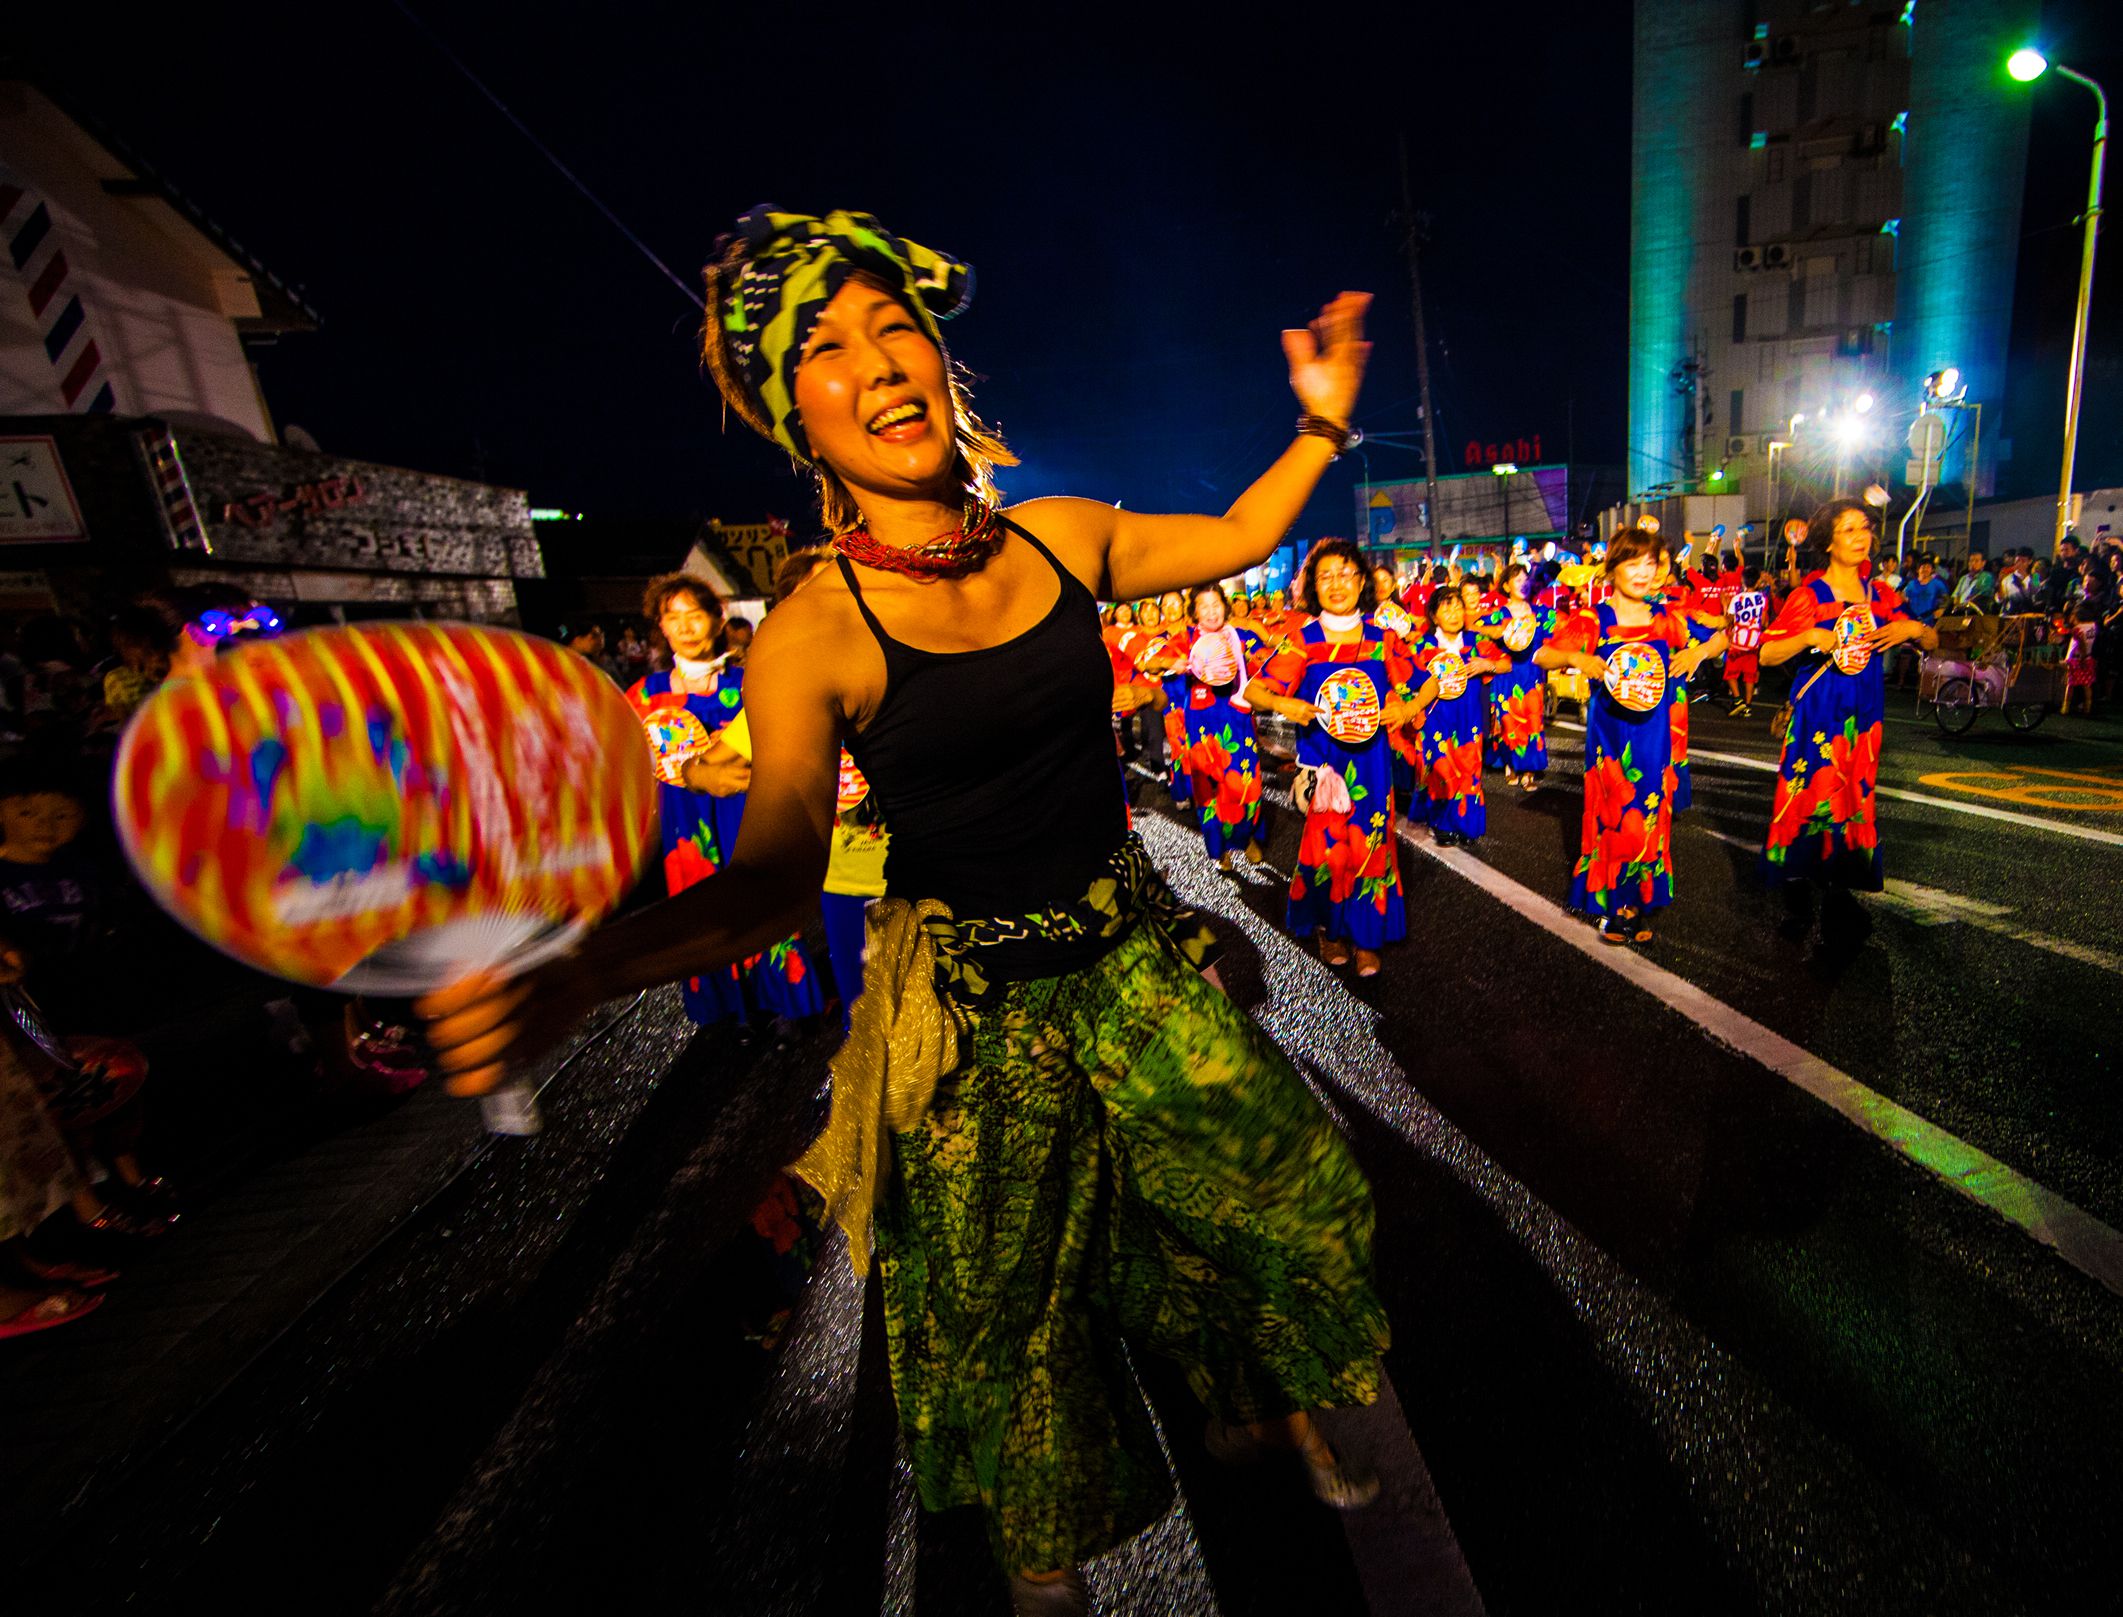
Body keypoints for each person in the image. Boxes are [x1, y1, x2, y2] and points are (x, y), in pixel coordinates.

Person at [419, 207, 1388, 1610]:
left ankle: (1253, 1385)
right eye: (827, 346)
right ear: (790, 417)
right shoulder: (812, 632)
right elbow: (764, 881)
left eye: (895, 328)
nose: (877, 361)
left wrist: (1315, 426)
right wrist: (581, 968)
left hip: (1128, 961)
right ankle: (1040, 1552)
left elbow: (1237, 533)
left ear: (941, 365)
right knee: (1000, 1304)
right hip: (974, 1019)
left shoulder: (1057, 538)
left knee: (1278, 1189)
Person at [627, 573, 825, 1026]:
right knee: (700, 910)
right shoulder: (645, 695)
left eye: (694, 616)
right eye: (672, 619)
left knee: (760, 894)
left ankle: (786, 1003)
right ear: (661, 626)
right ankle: (726, 1010)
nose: (685, 628)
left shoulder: (753, 679)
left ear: (718, 620)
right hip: (684, 821)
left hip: (747, 805)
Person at [1536, 526, 1725, 944]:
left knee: (1651, 814)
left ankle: (1640, 898)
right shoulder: (1593, 618)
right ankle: (1615, 903)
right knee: (1613, 816)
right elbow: (1543, 654)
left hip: (1656, 738)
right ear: (1613, 568)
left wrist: (1697, 651)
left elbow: (1721, 639)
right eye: (1631, 562)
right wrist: (1574, 656)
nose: (1642, 572)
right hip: (1611, 742)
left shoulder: (1664, 618)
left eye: (1650, 563)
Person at [1758, 499, 1936, 938]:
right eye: (1850, 530)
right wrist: (1808, 635)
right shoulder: (1809, 596)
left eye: (1866, 528)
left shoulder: (1883, 596)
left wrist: (1911, 630)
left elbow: (1932, 639)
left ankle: (1841, 885)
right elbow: (1766, 652)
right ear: (1828, 542)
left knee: (1854, 795)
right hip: (1818, 711)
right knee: (1807, 795)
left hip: (1864, 715)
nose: (1862, 538)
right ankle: (1797, 886)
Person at [1249, 538, 1416, 976]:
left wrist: (1406, 707)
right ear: (1312, 587)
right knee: (1327, 850)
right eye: (1325, 576)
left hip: (1374, 766)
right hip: (1325, 768)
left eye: (1345, 574)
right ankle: (1330, 927)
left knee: (1371, 846)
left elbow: (1428, 680)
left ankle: (1365, 936)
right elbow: (1254, 690)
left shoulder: (1383, 640)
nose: (1336, 584)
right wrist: (1287, 706)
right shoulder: (1303, 640)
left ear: (1362, 581)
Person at [1172, 584, 1269, 869]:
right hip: (1202, 725)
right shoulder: (1184, 638)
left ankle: (1246, 837)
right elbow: (1152, 661)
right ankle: (1219, 848)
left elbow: (1267, 655)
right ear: (1194, 612)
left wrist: (1262, 654)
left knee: (1246, 782)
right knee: (1209, 789)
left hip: (1237, 716)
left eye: (1216, 604)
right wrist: (1173, 664)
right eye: (1204, 606)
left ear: (1225, 607)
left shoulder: (1239, 637)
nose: (1212, 611)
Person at [1406, 583, 1507, 842]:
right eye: (1447, 607)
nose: (1454, 613)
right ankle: (1441, 822)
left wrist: (1489, 664)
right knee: (1439, 768)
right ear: (1434, 615)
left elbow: (1507, 664)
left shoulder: (1476, 642)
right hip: (1435, 717)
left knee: (1469, 767)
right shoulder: (1424, 646)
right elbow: (1407, 679)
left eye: (1458, 606)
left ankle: (1466, 823)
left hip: (1469, 716)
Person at [1480, 560, 1554, 790]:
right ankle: (1510, 763)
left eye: (1526, 579)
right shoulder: (1498, 614)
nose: (1523, 584)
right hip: (1508, 671)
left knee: (1532, 719)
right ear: (1506, 586)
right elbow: (1477, 629)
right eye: (1517, 580)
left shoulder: (1540, 612)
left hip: (1531, 672)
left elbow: (1556, 634)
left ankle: (1529, 770)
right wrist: (1498, 633)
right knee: (1508, 720)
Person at [1891, 556, 1948, 687]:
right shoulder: (1911, 584)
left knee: (1926, 652)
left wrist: (1940, 610)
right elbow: (1903, 598)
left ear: (1932, 570)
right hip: (1912, 619)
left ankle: (1923, 681)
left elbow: (1946, 599)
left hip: (1928, 621)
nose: (1925, 569)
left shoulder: (1937, 584)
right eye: (1923, 567)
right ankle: (1901, 680)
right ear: (1918, 569)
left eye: (1928, 567)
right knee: (1906, 652)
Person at [1723, 566, 1771, 714]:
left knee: (1731, 673)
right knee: (1750, 675)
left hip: (1738, 642)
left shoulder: (1737, 599)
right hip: (1753, 643)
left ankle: (1738, 699)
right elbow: (1764, 622)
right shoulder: (1762, 598)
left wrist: (1725, 604)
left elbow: (1728, 620)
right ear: (1757, 582)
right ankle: (1748, 706)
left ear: (1742, 582)